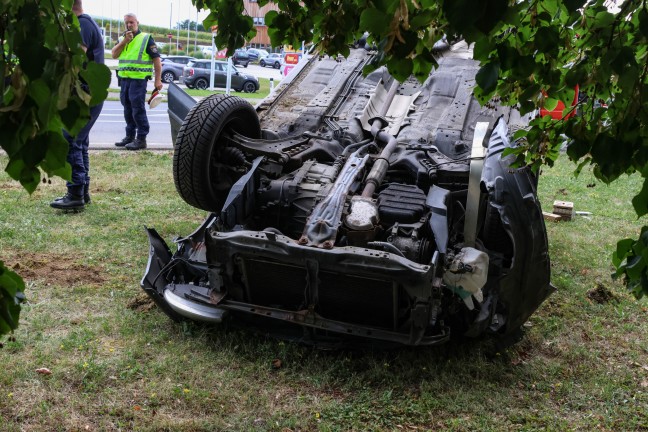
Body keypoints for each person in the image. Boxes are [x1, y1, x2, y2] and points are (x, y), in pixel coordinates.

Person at [51, 0, 105, 211]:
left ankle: (75, 194)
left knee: (70, 139)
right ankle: (82, 192)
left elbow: (75, 61)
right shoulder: (84, 23)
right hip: (89, 94)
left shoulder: (81, 25)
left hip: (86, 95)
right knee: (79, 142)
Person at [112, 13, 162, 151]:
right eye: (126, 22)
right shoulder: (123, 38)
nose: (129, 25)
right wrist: (124, 42)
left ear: (137, 22)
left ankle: (141, 139)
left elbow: (157, 60)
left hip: (139, 80)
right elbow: (114, 54)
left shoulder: (146, 38)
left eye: (131, 22)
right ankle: (129, 137)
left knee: (137, 109)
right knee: (127, 108)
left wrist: (158, 80)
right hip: (124, 80)